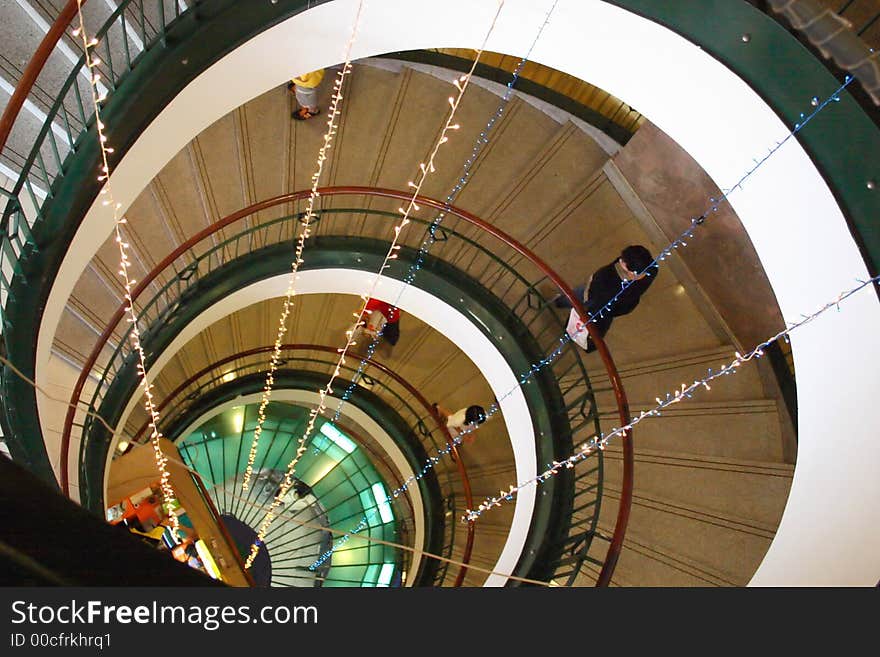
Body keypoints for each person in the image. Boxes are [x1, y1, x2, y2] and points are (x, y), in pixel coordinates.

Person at [555, 244, 658, 353]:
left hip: (601, 306)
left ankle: (583, 340)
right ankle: (560, 303)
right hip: (595, 296)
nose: (620, 261)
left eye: (623, 262)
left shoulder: (629, 281)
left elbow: (626, 304)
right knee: (575, 298)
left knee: (588, 320)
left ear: (633, 273)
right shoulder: (648, 269)